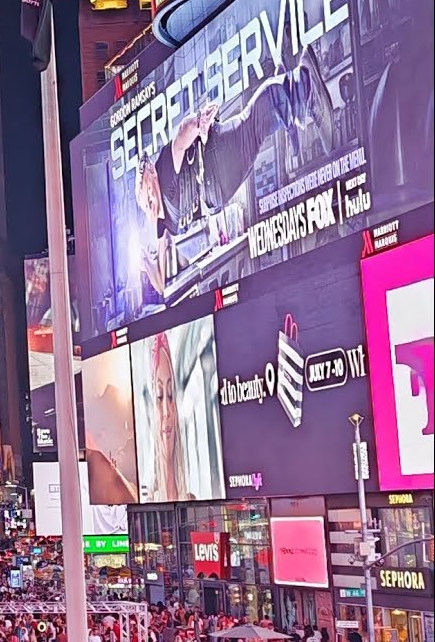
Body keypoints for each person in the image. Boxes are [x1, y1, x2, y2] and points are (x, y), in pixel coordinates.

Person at [135, 46, 334, 297]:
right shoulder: (160, 224)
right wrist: (146, 265)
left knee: (252, 128)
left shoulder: (164, 174)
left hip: (215, 173)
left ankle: (298, 91)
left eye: (148, 196)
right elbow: (162, 286)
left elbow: (179, 142)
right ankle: (296, 96)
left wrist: (197, 123)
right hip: (216, 178)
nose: (150, 203)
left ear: (150, 176)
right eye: (146, 203)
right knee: (254, 128)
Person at [145, 333, 186, 502]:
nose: (166, 412)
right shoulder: (148, 501)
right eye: (160, 396)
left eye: (170, 395)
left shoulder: (191, 498)